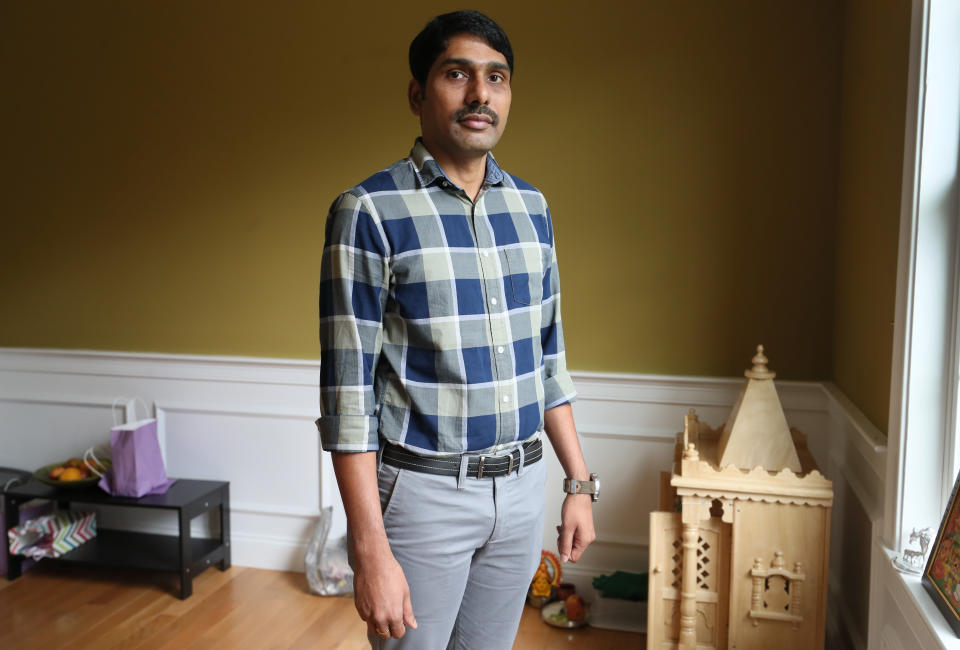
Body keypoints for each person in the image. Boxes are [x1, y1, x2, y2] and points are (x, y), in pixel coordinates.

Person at [317, 10, 597, 649]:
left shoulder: (532, 208)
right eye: (457, 74)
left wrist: (578, 483)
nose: (480, 94)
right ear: (418, 94)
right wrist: (370, 551)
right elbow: (348, 400)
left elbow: (547, 361)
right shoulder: (368, 211)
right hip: (422, 495)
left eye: (496, 78)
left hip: (525, 489)